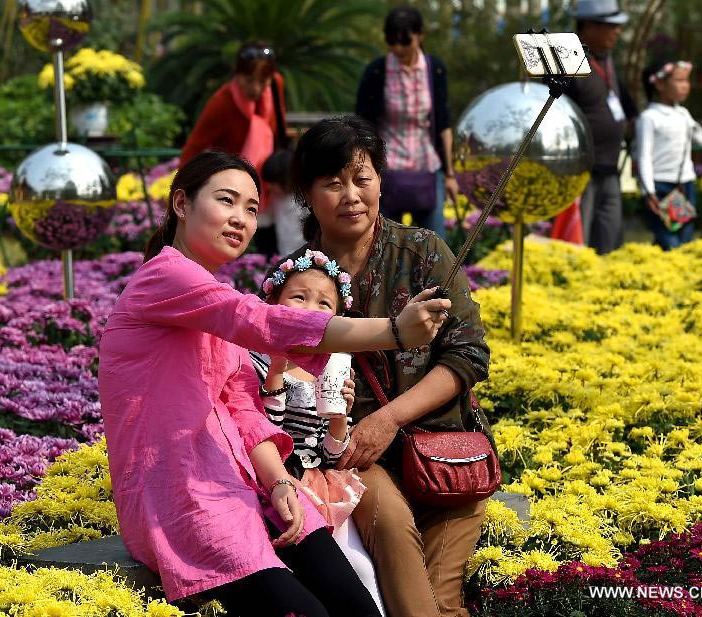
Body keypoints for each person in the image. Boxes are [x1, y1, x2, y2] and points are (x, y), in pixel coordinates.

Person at [98, 150, 451, 617]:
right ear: (181, 204)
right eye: (226, 201)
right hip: (186, 498)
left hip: (250, 487)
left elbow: (243, 409)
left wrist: (280, 481)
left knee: (357, 607)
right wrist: (393, 331)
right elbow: (260, 321)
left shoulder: (210, 301)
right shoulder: (166, 276)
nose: (240, 219)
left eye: (250, 207)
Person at [265, 115, 493, 617]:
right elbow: (275, 373)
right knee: (393, 538)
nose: (351, 195)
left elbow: (468, 354)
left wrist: (388, 418)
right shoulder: (297, 281)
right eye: (333, 183)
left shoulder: (423, 252)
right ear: (306, 193)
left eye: (362, 178)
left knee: (441, 598)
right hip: (354, 460)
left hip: (444, 454)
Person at [253, 252, 386, 615]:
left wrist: (341, 415)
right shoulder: (257, 360)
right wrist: (276, 372)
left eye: (324, 303)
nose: (310, 309)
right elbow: (263, 431)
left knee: (360, 570)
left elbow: (330, 454)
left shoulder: (332, 364)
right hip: (279, 483)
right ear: (273, 302)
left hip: (323, 483)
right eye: (299, 297)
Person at [355, 5, 457, 239]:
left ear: (420, 36)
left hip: (427, 166)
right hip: (389, 170)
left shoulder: (435, 69)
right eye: (392, 42)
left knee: (433, 245)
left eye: (405, 41)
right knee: (387, 244)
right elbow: (362, 123)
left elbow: (443, 122)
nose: (399, 48)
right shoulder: (377, 71)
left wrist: (450, 174)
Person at [180, 42, 289, 255]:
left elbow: (279, 126)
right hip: (233, 180)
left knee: (274, 241)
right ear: (237, 75)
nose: (256, 88)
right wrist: (183, 193)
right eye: (249, 80)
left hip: (269, 182)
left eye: (263, 81)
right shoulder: (223, 102)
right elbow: (194, 146)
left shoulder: (276, 85)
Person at [635, 60, 702, 251]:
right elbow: (643, 156)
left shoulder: (683, 114)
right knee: (670, 242)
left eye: (687, 80)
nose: (686, 85)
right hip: (660, 188)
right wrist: (648, 192)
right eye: (679, 80)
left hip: (684, 186)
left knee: (684, 240)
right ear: (659, 84)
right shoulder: (648, 118)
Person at [566, 0, 638, 255]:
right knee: (577, 240)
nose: (617, 31)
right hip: (581, 172)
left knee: (610, 237)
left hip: (610, 167)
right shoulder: (569, 60)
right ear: (588, 26)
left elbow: (624, 104)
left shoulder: (606, 59)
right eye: (610, 25)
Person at [262, 148, 306, 255]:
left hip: (306, 253)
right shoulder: (275, 197)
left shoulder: (305, 198)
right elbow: (267, 218)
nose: (269, 187)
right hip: (285, 253)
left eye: (273, 183)